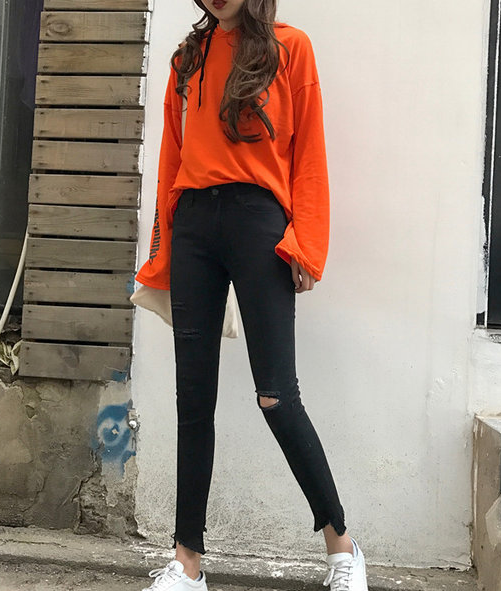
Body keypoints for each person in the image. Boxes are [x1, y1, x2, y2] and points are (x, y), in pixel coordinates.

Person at [135, 1, 369, 590]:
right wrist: (163, 246)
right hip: (193, 225)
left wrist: (307, 243)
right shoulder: (187, 59)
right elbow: (171, 158)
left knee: (277, 396)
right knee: (193, 399)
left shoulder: (291, 48)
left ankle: (342, 549)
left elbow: (308, 152)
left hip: (260, 224)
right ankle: (187, 562)